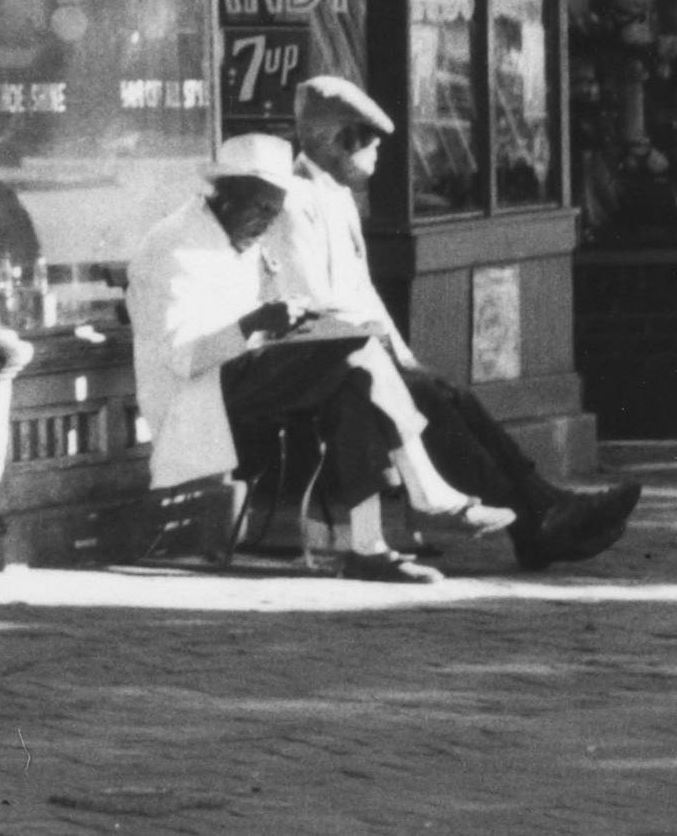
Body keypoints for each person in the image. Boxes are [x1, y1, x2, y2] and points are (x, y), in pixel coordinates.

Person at [266, 76, 643, 571]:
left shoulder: (338, 197)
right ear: (335, 140)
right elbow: (316, 306)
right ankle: (540, 518)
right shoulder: (295, 203)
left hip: (360, 354)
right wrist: (391, 364)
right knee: (429, 399)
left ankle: (542, 507)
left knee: (447, 393)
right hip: (320, 363)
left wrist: (403, 358)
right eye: (367, 138)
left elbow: (365, 295)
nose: (379, 149)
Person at [125, 134, 430, 583]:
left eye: (274, 213)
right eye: (262, 210)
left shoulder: (230, 234)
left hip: (239, 376)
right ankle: (424, 489)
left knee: (355, 376)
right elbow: (182, 360)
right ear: (228, 196)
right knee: (357, 352)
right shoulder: (177, 244)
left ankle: (369, 544)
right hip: (194, 400)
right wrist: (256, 322)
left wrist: (284, 321)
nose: (267, 225)